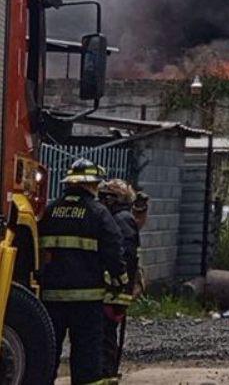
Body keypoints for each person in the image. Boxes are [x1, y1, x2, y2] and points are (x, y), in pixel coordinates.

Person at [40, 158, 127, 385]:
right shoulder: (98, 213)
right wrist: (121, 283)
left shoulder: (49, 211)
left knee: (47, 355)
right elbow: (114, 251)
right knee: (86, 359)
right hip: (86, 302)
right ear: (90, 185)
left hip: (51, 299)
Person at [98, 178, 140, 380]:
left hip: (113, 293)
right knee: (104, 336)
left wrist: (120, 287)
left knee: (106, 337)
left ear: (117, 199)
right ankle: (106, 373)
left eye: (107, 196)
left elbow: (126, 257)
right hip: (111, 290)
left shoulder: (122, 219)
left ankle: (108, 374)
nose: (102, 200)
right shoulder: (119, 217)